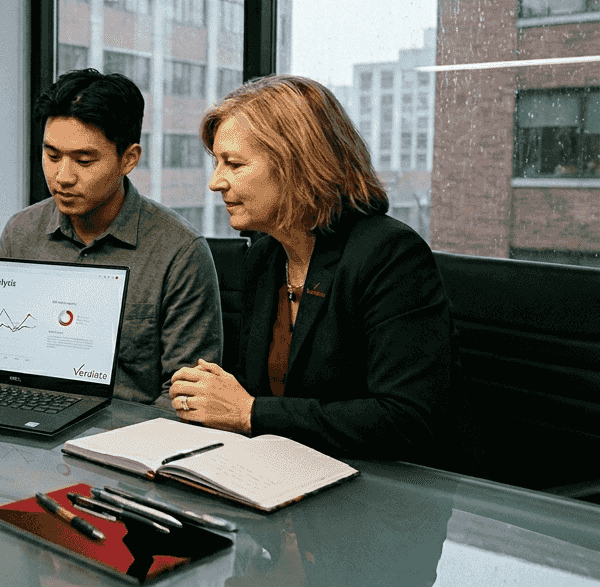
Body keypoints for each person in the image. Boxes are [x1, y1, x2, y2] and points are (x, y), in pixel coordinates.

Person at [170, 74, 455, 461]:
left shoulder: (390, 254)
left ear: (296, 165)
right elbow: (253, 397)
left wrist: (249, 412)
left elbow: (407, 420)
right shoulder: (266, 257)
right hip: (284, 473)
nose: (215, 182)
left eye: (233, 164)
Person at [0, 69, 223, 406]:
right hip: (28, 425)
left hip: (127, 441)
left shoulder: (180, 252)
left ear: (128, 159)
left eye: (84, 160)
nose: (63, 177)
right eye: (52, 156)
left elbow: (184, 398)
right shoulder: (21, 233)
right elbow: (1, 359)